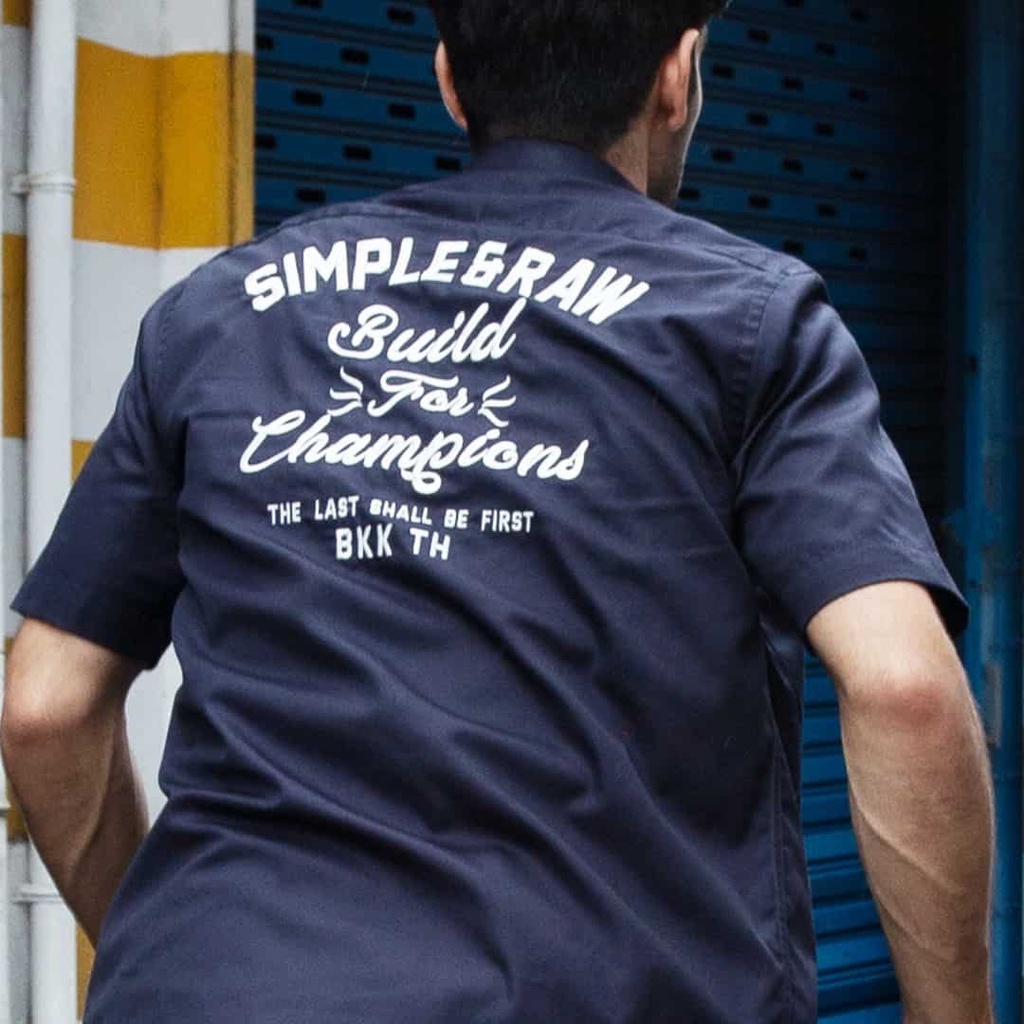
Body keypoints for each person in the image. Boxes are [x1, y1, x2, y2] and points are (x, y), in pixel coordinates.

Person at [1, 1, 994, 1021]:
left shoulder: (218, 310)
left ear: (447, 79)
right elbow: (904, 688)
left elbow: (46, 705)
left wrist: (177, 956)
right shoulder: (749, 321)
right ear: (677, 76)